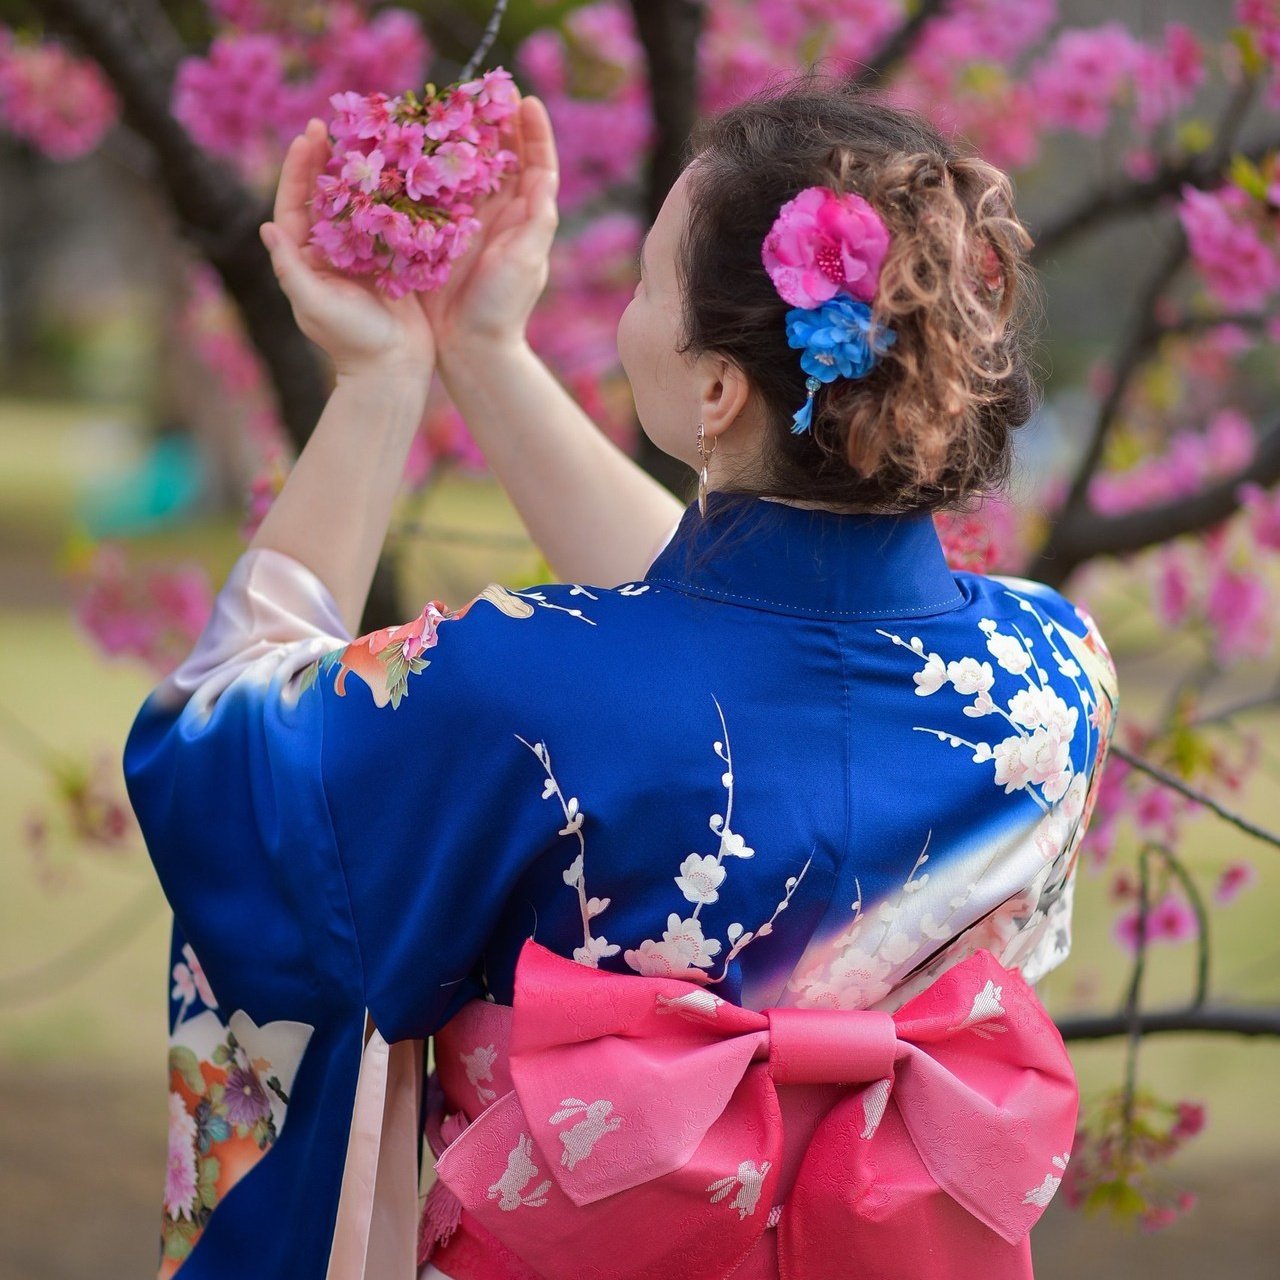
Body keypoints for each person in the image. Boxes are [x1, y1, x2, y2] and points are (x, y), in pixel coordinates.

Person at [125, 81, 1117, 1280]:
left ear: (715, 390)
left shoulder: (508, 683)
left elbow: (215, 745)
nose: (625, 312)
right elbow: (731, 642)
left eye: (647, 284)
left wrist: (377, 386)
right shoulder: (1052, 672)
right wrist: (485, 353)